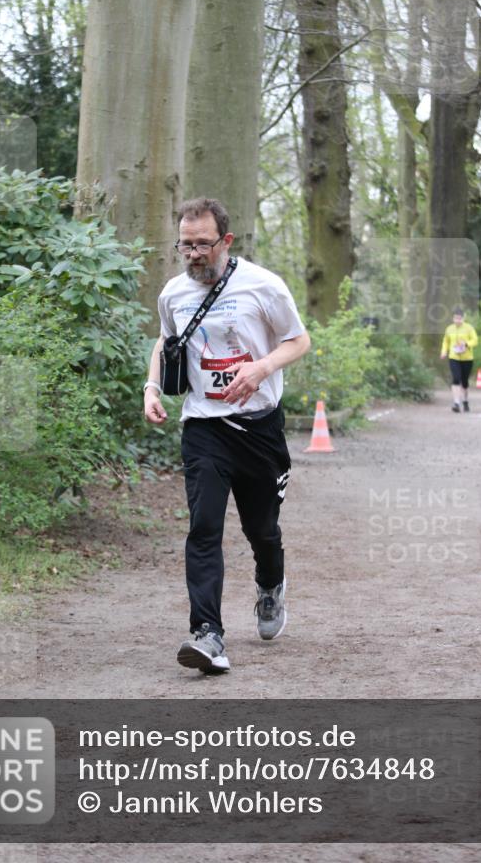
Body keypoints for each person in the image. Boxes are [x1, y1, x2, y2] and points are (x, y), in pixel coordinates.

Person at [144, 198, 311, 674]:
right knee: (203, 528)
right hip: (205, 426)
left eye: (203, 244)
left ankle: (270, 585)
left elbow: (299, 340)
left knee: (262, 530)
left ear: (226, 241)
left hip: (259, 428)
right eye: (185, 245)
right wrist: (151, 387)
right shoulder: (174, 293)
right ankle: (207, 634)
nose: (194, 254)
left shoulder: (263, 285)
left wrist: (261, 368)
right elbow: (165, 341)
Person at [440, 307, 478, 412]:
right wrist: (444, 351)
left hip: (467, 358)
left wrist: (466, 344)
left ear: (463, 318)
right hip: (454, 357)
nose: (457, 320)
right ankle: (456, 403)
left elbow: (475, 340)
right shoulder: (449, 329)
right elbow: (446, 341)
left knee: (464, 381)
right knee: (456, 378)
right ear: (453, 318)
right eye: (456, 318)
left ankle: (465, 401)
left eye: (460, 318)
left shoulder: (469, 328)